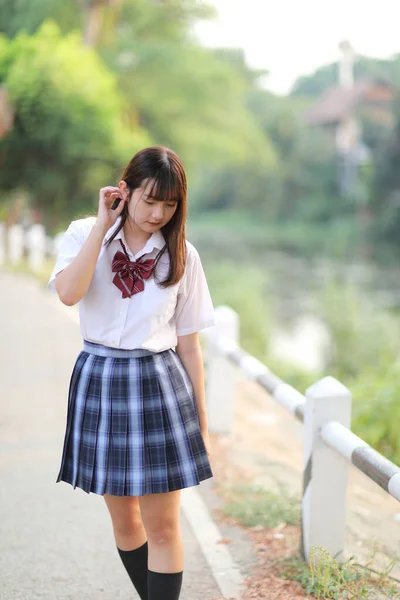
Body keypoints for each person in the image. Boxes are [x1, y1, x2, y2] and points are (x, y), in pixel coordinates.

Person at [47, 146, 216, 600]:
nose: (158, 213)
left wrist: (201, 415)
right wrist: (104, 226)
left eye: (170, 204)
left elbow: (190, 344)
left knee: (163, 525)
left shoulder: (183, 256)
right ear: (124, 191)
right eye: (150, 201)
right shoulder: (85, 233)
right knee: (126, 522)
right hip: (100, 380)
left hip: (159, 385)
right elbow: (68, 293)